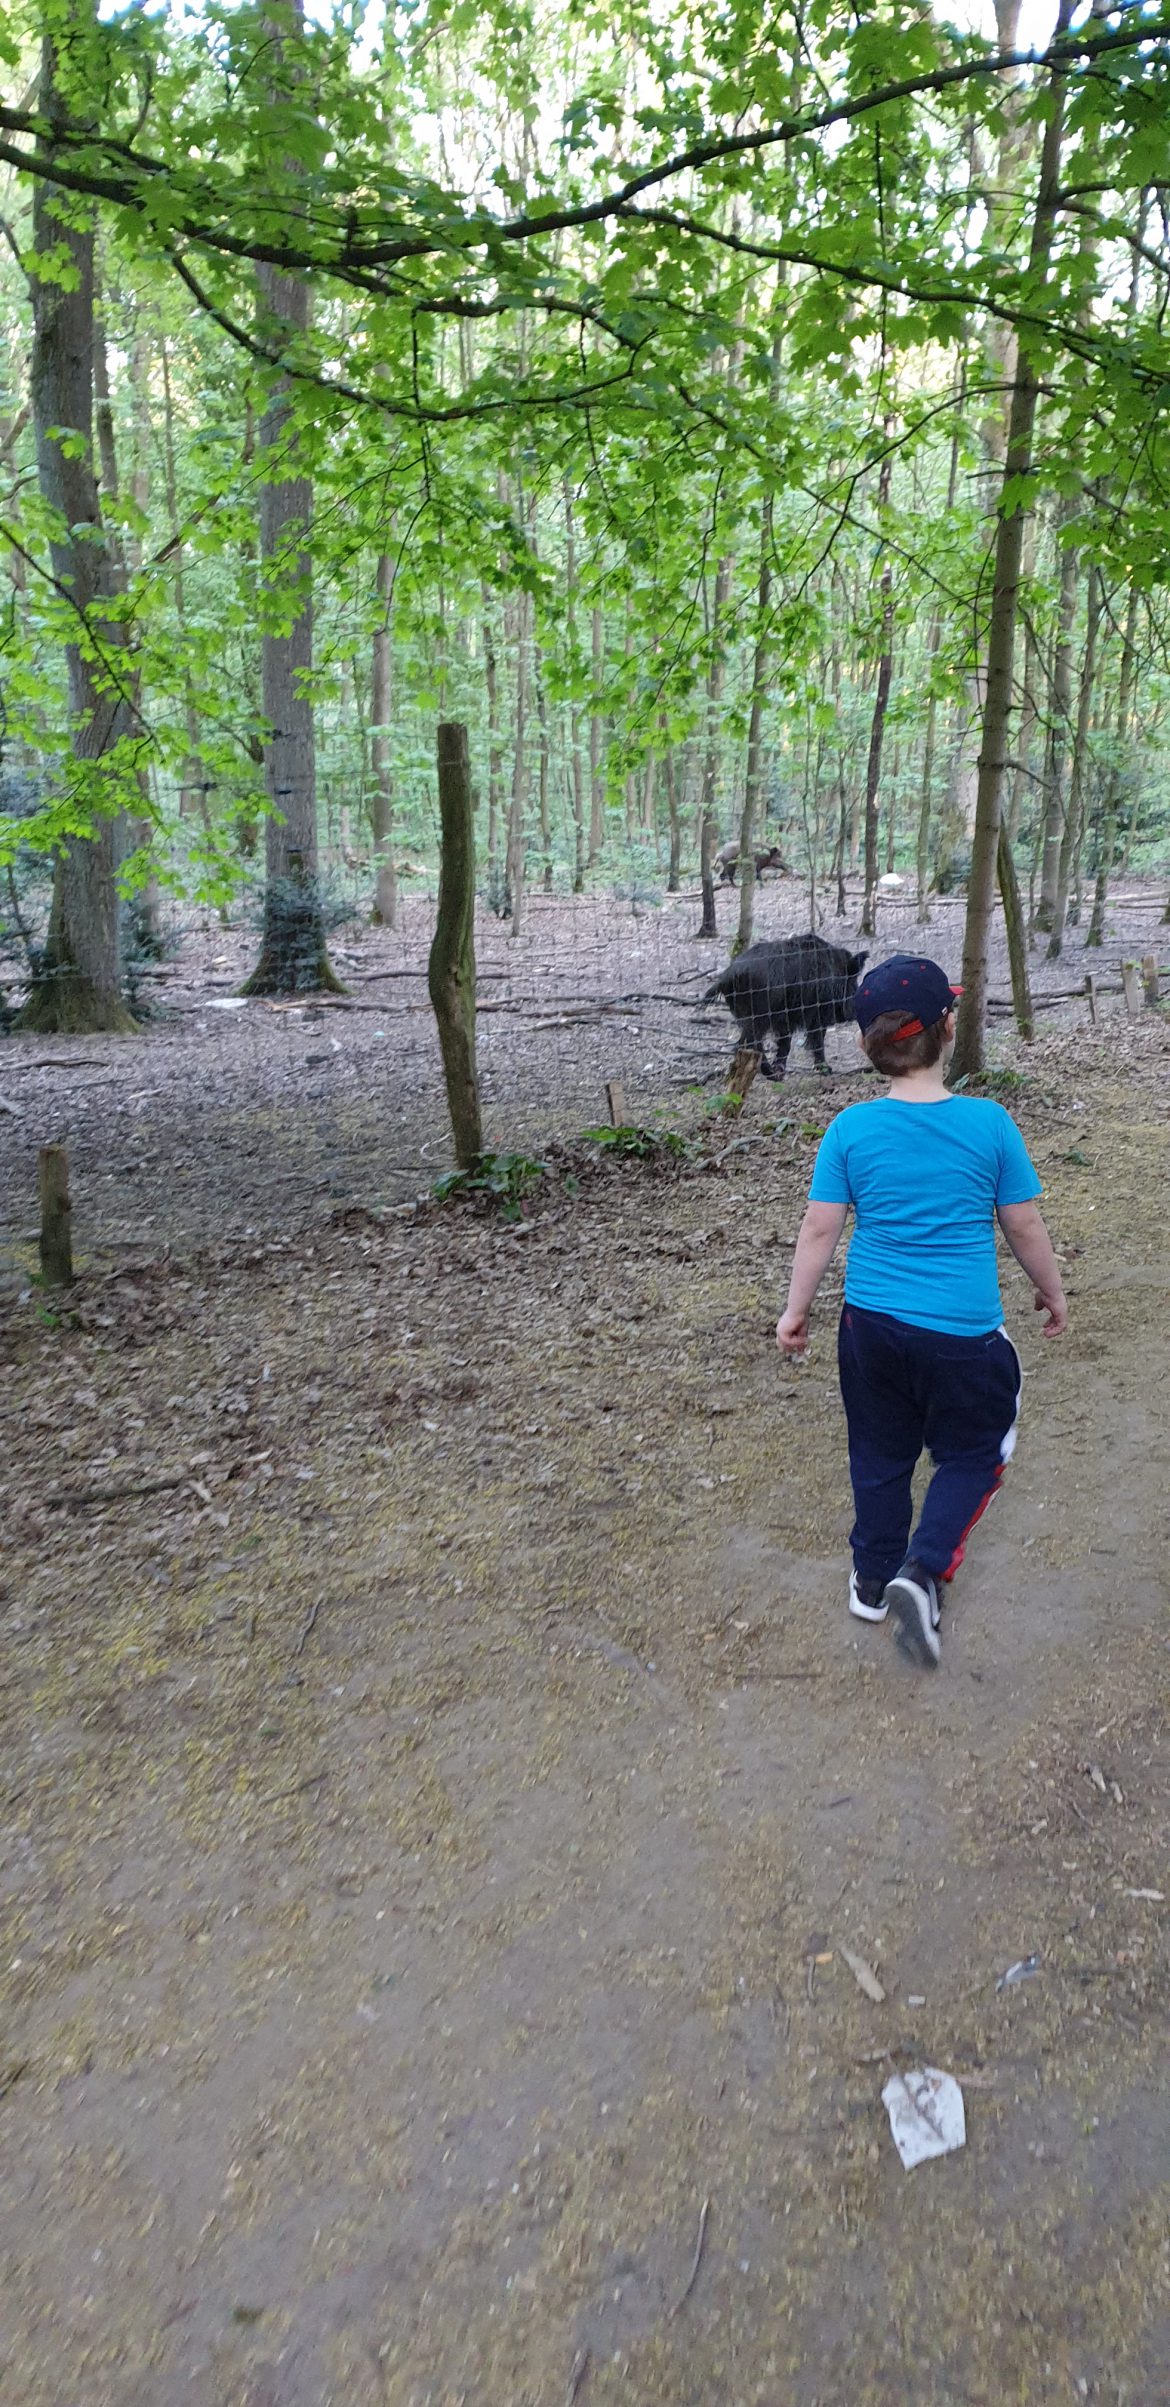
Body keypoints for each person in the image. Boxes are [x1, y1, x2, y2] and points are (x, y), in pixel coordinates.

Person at [775, 955, 1067, 1669]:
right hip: (963, 1336)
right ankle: (923, 1567)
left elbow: (820, 1229)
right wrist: (1053, 1290)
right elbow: (1023, 1225)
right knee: (974, 1452)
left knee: (879, 1452)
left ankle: (872, 1580)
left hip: (869, 1328)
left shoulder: (850, 1129)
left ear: (864, 1045)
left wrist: (796, 1310)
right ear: (947, 1028)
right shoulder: (990, 1125)